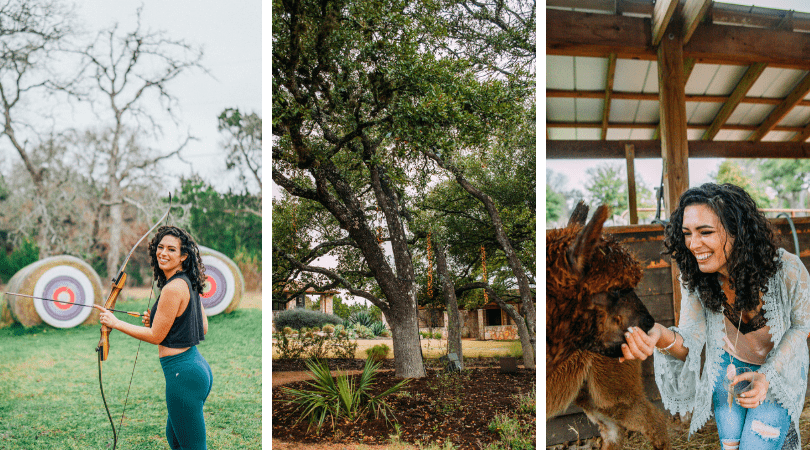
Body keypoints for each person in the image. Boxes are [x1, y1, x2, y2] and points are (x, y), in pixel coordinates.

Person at [619, 183, 810, 450]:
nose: (693, 244)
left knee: (756, 445)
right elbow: (690, 343)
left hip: (777, 372)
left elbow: (802, 327)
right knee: (730, 447)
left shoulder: (786, 269)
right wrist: (658, 335)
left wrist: (767, 375)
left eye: (705, 232)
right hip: (729, 371)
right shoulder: (696, 280)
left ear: (738, 232)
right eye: (687, 233)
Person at [96, 226, 212, 450]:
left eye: (171, 249)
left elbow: (155, 336)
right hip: (196, 368)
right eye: (160, 247)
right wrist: (163, 320)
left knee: (192, 447)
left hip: (183, 375)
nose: (163, 253)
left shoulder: (172, 289)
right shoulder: (186, 281)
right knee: (176, 439)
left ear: (183, 256)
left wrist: (115, 323)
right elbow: (202, 327)